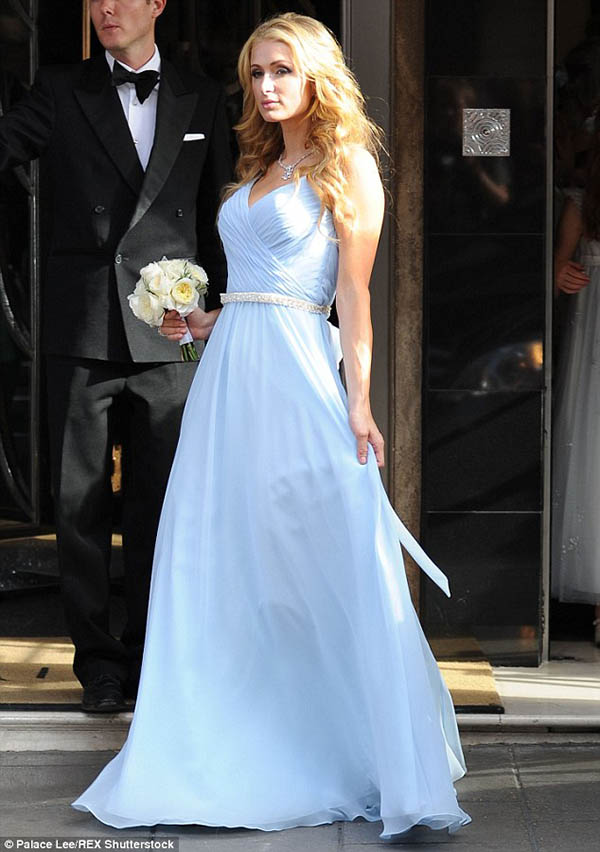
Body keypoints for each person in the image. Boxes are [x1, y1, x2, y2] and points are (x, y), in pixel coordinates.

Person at [72, 13, 471, 839]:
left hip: (297, 377)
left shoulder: (347, 163)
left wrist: (359, 400)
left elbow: (351, 296)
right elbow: (260, 285)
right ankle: (221, 741)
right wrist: (204, 319)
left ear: (317, 75)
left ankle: (354, 747)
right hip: (228, 377)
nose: (266, 86)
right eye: (256, 73)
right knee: (222, 552)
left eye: (282, 70)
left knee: (316, 556)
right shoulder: (261, 162)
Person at [0, 0, 232, 712]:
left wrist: (226, 310)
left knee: (161, 505)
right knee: (79, 507)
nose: (106, 8)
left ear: (157, 4)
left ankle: (150, 656)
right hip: (84, 328)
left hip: (171, 329)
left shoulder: (203, 94)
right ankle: (98, 665)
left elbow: (221, 212)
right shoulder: (59, 90)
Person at [552, 139, 600, 644]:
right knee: (591, 458)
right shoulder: (581, 206)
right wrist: (559, 272)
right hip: (592, 348)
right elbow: (554, 270)